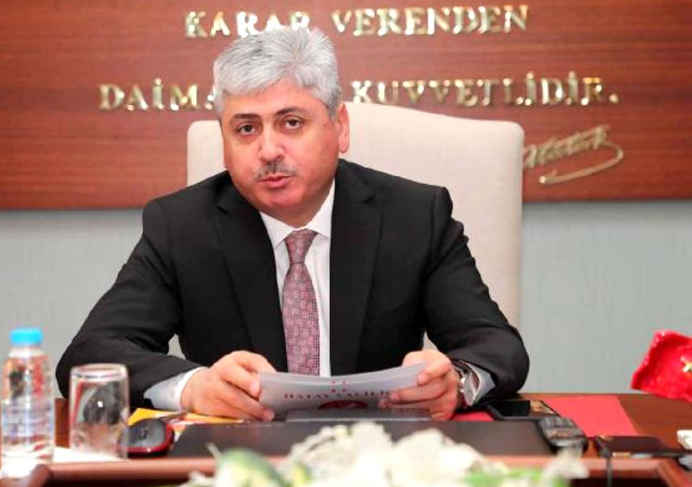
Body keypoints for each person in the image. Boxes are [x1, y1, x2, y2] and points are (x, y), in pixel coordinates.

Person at [56, 27, 528, 421]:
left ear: (340, 127)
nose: (268, 151)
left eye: (291, 123)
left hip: (378, 459)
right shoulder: (182, 227)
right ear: (224, 142)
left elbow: (496, 346)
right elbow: (89, 356)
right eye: (246, 128)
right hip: (240, 462)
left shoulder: (415, 217)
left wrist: (455, 384)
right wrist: (193, 387)